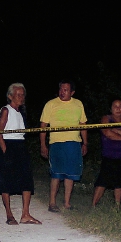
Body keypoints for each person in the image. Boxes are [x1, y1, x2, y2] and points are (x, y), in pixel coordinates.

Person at [39, 80, 88, 212]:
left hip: (73, 143)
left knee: (70, 174)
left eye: (66, 90)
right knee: (56, 173)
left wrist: (85, 142)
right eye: (61, 89)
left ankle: (67, 203)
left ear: (72, 92)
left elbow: (83, 124)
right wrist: (43, 145)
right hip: (56, 143)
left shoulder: (78, 104)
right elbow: (43, 126)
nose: (62, 92)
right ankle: (52, 203)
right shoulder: (51, 104)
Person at [0, 83, 39, 225]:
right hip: (9, 145)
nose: (21, 97)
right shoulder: (6, 110)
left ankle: (25, 214)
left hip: (20, 145)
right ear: (10, 96)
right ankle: (9, 214)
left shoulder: (21, 112)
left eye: (23, 94)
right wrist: (5, 151)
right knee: (6, 181)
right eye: (18, 94)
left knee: (26, 179)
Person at [93, 99, 121, 206]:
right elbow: (107, 133)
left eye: (120, 106)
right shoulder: (106, 118)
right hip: (109, 155)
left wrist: (117, 131)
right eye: (115, 106)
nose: (118, 108)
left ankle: (117, 206)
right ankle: (93, 205)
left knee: (119, 183)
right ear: (111, 108)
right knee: (103, 181)